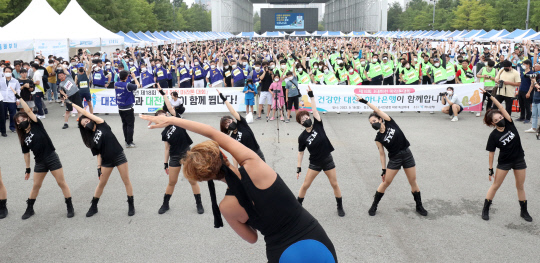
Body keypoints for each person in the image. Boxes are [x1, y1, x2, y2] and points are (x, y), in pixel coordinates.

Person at [138, 115, 338, 263]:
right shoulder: (254, 164)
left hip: (281, 251)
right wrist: (172, 119)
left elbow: (252, 238)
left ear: (208, 177)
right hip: (314, 237)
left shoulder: (226, 206)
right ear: (224, 156)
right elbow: (211, 131)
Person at [355, 94, 427, 217]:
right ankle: (374, 205)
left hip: (407, 154)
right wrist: (383, 170)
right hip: (395, 159)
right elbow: (382, 154)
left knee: (413, 181)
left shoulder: (389, 122)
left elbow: (376, 110)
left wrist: (364, 101)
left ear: (380, 119)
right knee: (386, 182)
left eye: (374, 121)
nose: (373, 124)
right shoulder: (378, 138)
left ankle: (419, 206)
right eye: (371, 123)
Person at [10, 87, 74, 220]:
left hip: (51, 157)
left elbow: (27, 109)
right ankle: (30, 208)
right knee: (36, 186)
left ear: (27, 118)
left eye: (22, 119)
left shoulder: (36, 124)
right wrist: (27, 169)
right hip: (39, 162)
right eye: (18, 122)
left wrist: (18, 96)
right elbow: (26, 154)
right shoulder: (23, 137)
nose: (20, 122)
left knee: (61, 183)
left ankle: (69, 206)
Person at [70, 102, 135, 217]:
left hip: (118, 155)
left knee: (126, 181)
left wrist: (71, 103)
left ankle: (131, 205)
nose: (86, 124)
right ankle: (94, 206)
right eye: (83, 125)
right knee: (101, 184)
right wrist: (98, 167)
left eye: (86, 121)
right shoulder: (90, 139)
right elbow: (98, 154)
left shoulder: (101, 124)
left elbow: (84, 112)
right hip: (106, 161)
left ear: (90, 119)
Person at [479, 88, 532, 222]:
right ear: (492, 123)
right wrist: (490, 169)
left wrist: (489, 95)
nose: (501, 119)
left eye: (501, 117)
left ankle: (524, 211)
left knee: (520, 186)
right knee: (495, 186)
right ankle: (485, 209)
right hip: (504, 163)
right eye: (497, 119)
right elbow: (491, 153)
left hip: (519, 160)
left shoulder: (509, 123)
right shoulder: (493, 136)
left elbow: (500, 106)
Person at [296, 86, 345, 217]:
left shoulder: (318, 124)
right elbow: (301, 153)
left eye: (306, 117)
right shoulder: (302, 137)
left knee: (334, 183)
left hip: (327, 159)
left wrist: (311, 95)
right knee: (305, 185)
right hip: (315, 163)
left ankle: (339, 206)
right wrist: (299, 167)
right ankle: (297, 207)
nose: (306, 120)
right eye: (303, 120)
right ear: (300, 124)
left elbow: (314, 109)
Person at [155, 86, 204, 214]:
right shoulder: (164, 134)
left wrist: (162, 93)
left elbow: (170, 107)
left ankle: (199, 204)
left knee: (192, 180)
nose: (163, 116)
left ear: (167, 114)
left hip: (186, 154)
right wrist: (165, 163)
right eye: (159, 117)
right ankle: (165, 204)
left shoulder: (177, 120)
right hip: (174, 157)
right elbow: (167, 148)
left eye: (164, 114)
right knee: (172, 182)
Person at [218, 89, 265, 165]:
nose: (229, 125)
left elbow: (233, 111)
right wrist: (237, 171)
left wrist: (223, 98)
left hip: (257, 153)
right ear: (226, 129)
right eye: (226, 125)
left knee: (265, 174)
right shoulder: (232, 137)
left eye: (229, 122)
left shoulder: (241, 123)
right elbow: (235, 155)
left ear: (233, 119)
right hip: (247, 160)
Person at [115, 70, 140, 148]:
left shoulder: (116, 84)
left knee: (124, 124)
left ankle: (126, 140)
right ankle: (129, 142)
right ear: (126, 77)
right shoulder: (128, 85)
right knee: (130, 125)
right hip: (128, 108)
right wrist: (134, 77)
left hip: (120, 107)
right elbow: (138, 85)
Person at [57, 65, 83, 129]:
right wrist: (65, 95)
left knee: (79, 109)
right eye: (59, 76)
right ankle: (66, 124)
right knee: (67, 111)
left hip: (76, 94)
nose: (61, 76)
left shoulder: (69, 77)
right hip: (69, 97)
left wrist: (61, 65)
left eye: (62, 75)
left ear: (64, 74)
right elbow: (60, 90)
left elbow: (65, 70)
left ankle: (80, 123)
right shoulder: (61, 84)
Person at [1, 67, 21, 133]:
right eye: (6, 71)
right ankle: (2, 128)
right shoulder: (0, 80)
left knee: (13, 114)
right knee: (2, 115)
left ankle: (12, 127)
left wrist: (18, 100)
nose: (8, 73)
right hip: (2, 100)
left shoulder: (15, 81)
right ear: (4, 72)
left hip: (12, 100)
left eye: (9, 71)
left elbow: (18, 90)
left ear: (11, 72)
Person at [525, 64, 540, 134]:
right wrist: (528, 92)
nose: (535, 68)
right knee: (534, 114)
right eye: (534, 67)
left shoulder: (536, 79)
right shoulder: (536, 76)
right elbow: (532, 85)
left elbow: (538, 88)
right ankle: (533, 128)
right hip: (535, 98)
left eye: (537, 66)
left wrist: (534, 81)